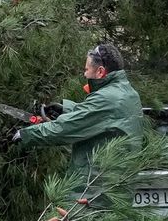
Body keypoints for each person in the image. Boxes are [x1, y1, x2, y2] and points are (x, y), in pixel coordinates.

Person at [15, 42, 144, 173]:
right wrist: (65, 109)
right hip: (114, 179)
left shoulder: (106, 98)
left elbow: (65, 129)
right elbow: (97, 116)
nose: (84, 75)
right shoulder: (126, 92)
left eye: (87, 70)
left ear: (100, 71)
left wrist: (25, 134)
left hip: (96, 183)